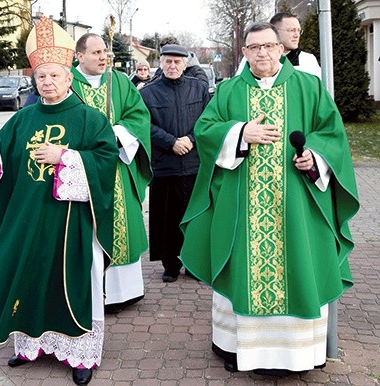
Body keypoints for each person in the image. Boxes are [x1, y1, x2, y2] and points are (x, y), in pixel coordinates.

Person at [180, 22, 359, 375]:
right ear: (244, 52)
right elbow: (204, 130)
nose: (261, 52)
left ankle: (300, 354)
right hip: (242, 205)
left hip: (298, 205)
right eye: (253, 47)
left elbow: (332, 135)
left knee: (300, 262)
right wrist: (240, 132)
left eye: (267, 46)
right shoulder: (229, 90)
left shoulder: (309, 87)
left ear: (280, 48)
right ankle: (237, 348)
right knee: (241, 266)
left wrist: (315, 158)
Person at [0, 17, 118, 385]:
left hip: (71, 223)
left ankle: (80, 354)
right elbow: (2, 165)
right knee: (29, 277)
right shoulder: (21, 119)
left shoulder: (91, 118)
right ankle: (29, 346)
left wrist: (67, 157)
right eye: (41, 77)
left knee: (72, 283)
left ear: (70, 77)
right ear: (34, 80)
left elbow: (106, 162)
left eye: (54, 75)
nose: (48, 82)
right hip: (27, 219)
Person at [71, 33, 152, 314]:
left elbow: (139, 116)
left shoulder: (118, 81)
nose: (103, 57)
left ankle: (124, 292)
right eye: (95, 53)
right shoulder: (67, 83)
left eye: (104, 51)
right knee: (86, 228)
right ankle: (92, 292)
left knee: (122, 225)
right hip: (83, 170)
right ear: (79, 56)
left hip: (117, 166)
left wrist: (117, 135)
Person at [139, 44, 210, 283]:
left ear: (185, 64)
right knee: (166, 219)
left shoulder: (199, 89)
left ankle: (194, 263)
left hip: (193, 164)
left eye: (177, 62)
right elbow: (143, 126)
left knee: (194, 217)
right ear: (161, 63)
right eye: (168, 61)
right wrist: (171, 142)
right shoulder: (148, 93)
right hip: (165, 165)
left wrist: (189, 139)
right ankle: (170, 264)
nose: (172, 66)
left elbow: (207, 120)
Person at [237, 12, 321, 78]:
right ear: (275, 31)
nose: (297, 35)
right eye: (291, 30)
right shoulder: (254, 58)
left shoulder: (308, 60)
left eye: (298, 30)